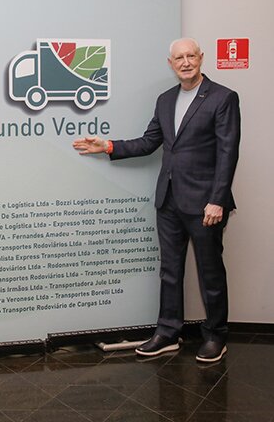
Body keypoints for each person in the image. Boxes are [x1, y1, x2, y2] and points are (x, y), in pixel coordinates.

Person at [72, 38, 240, 363]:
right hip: (169, 201)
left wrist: (217, 200)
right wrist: (108, 146)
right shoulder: (165, 100)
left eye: (191, 56)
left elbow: (228, 152)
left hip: (205, 204)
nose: (185, 62)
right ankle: (168, 332)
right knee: (170, 270)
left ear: (201, 58)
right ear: (170, 63)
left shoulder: (223, 97)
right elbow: (149, 142)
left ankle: (215, 336)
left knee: (210, 273)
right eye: (179, 58)